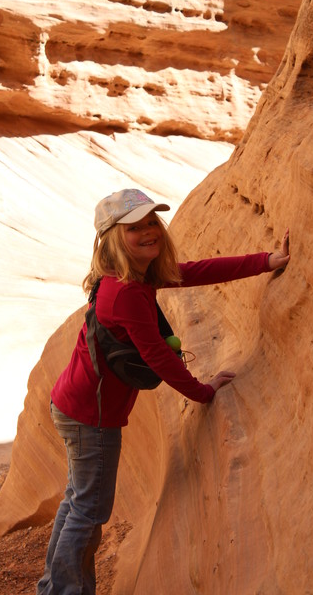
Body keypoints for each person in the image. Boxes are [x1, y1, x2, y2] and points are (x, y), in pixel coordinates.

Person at [36, 188, 290, 595]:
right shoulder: (127, 293)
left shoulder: (129, 277)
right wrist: (203, 392)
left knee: (76, 499)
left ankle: (53, 585)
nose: (149, 231)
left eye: (152, 221)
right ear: (114, 238)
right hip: (91, 417)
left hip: (74, 403)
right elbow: (157, 356)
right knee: (88, 508)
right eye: (135, 227)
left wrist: (265, 262)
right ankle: (63, 591)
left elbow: (198, 271)